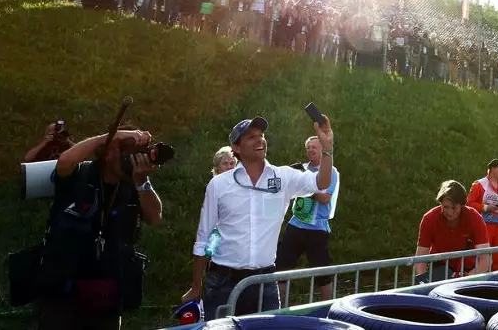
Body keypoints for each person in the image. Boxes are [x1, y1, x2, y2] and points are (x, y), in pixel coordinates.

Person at [184, 114, 334, 319]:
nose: (259, 140)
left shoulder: (283, 177)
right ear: (236, 148)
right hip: (222, 282)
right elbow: (203, 238)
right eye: (251, 137)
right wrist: (195, 286)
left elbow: (321, 183)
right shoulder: (219, 185)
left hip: (265, 282)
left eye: (261, 135)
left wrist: (327, 149)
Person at [34, 127, 163, 329]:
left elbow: (155, 217)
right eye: (123, 149)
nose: (128, 158)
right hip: (62, 287)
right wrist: (112, 136)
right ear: (107, 151)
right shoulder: (81, 174)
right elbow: (64, 162)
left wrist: (142, 182)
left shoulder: (134, 185)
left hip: (107, 292)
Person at [276, 136, 341, 301]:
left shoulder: (330, 171)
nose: (311, 150)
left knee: (322, 273)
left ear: (322, 150)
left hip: (317, 228)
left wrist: (307, 188)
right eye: (308, 147)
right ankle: (275, 306)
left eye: (314, 147)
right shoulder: (301, 169)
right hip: (296, 224)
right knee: (281, 268)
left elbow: (326, 197)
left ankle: (328, 307)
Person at [414, 180, 490, 283]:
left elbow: (485, 258)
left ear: (462, 205)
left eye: (454, 207)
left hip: (467, 271)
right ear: (440, 203)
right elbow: (421, 257)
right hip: (439, 267)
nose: (450, 212)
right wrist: (423, 282)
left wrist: (470, 277)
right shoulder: (429, 219)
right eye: (445, 207)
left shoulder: (474, 218)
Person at [467, 158, 498, 272]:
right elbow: (469, 203)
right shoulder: (479, 184)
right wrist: (486, 208)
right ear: (492, 169)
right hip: (484, 226)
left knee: (497, 260)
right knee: (481, 257)